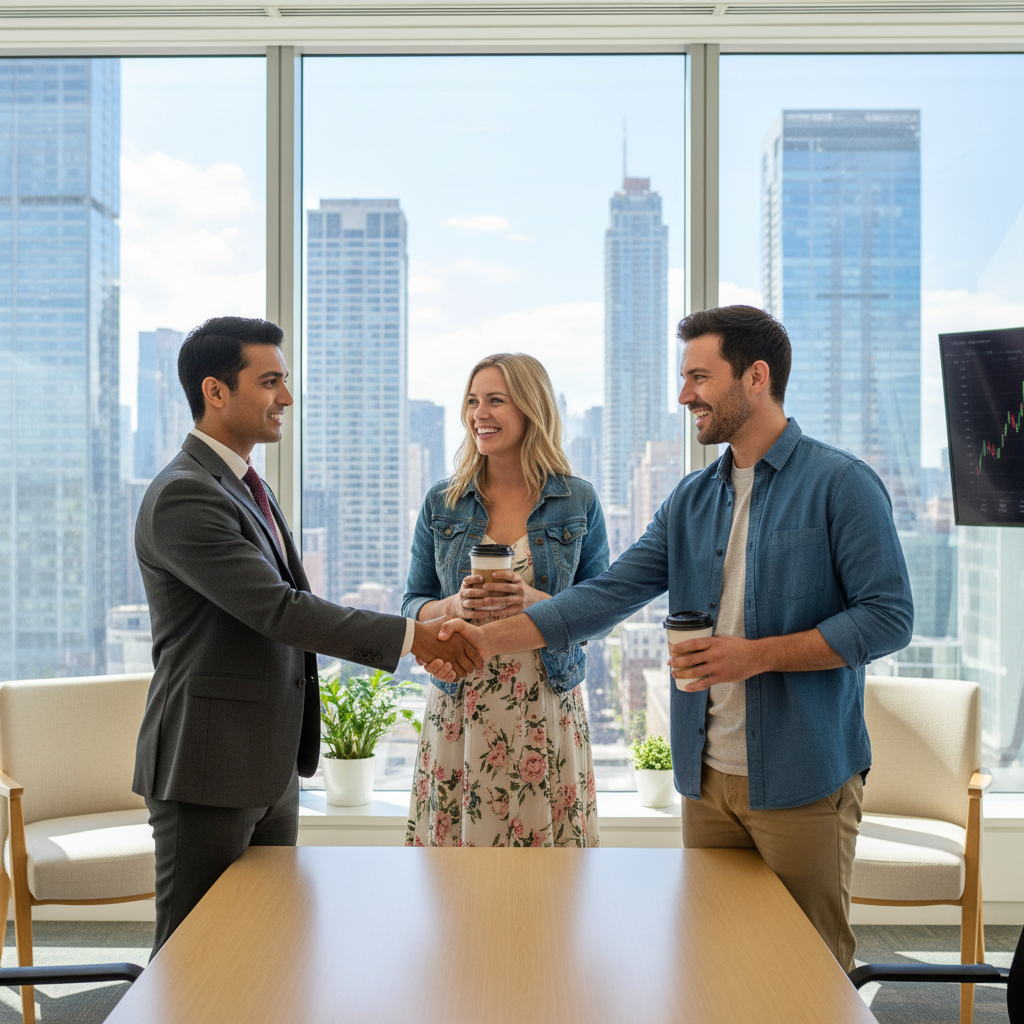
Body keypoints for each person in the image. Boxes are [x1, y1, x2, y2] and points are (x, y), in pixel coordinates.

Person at [438, 306, 914, 970]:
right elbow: (603, 597)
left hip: (805, 776)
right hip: (706, 778)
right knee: (715, 961)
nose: (683, 394)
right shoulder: (690, 498)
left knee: (808, 970)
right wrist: (481, 642)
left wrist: (754, 656)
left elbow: (889, 617)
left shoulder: (841, 484)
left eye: (697, 376)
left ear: (755, 377)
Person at [133, 316, 481, 955]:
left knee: (266, 946)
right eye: (270, 382)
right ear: (215, 391)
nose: (285, 398)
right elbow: (280, 610)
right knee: (191, 957)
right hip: (207, 764)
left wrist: (425, 623)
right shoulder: (184, 496)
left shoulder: (244, 486)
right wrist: (416, 637)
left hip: (269, 761)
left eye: (284, 381)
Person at [404, 353, 609, 848]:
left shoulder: (578, 501)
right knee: (455, 887)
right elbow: (413, 605)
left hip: (546, 702)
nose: (479, 413)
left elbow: (601, 614)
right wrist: (453, 607)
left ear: (531, 409)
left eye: (495, 400)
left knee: (549, 887)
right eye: (473, 401)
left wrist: (534, 599)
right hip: (460, 707)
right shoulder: (442, 502)